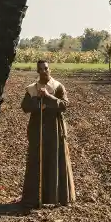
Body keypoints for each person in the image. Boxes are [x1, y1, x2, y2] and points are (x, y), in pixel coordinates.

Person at [20, 60, 76, 208]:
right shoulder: (32, 89)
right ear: (37, 71)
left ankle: (56, 197)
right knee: (36, 161)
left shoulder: (57, 87)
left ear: (49, 69)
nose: (44, 71)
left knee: (55, 160)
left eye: (46, 68)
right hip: (37, 130)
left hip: (55, 130)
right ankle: (33, 198)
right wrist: (38, 100)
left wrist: (49, 98)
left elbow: (64, 105)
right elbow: (25, 107)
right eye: (41, 69)